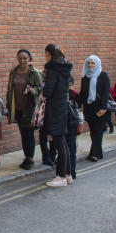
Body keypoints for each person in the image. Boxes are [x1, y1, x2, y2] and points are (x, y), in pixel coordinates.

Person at [43, 44, 73, 187]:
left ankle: (61, 176)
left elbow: (48, 91)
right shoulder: (64, 68)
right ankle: (67, 174)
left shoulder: (52, 70)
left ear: (48, 53)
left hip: (54, 108)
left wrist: (44, 85)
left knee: (59, 143)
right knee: (63, 142)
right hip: (62, 107)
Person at [7, 49, 43, 170]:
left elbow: (39, 89)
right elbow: (9, 90)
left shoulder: (34, 73)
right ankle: (26, 156)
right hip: (17, 108)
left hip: (29, 108)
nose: (22, 60)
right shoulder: (13, 72)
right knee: (23, 133)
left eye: (25, 58)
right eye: (20, 58)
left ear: (29, 59)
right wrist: (9, 105)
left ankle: (30, 159)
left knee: (29, 134)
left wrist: (31, 90)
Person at [79, 55, 110, 162]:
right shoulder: (85, 76)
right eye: (88, 63)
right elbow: (83, 93)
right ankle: (98, 152)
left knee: (98, 131)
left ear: (97, 64)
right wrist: (78, 105)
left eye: (92, 63)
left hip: (100, 108)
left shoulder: (103, 75)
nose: (90, 65)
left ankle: (94, 154)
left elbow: (106, 93)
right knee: (93, 131)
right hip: (89, 108)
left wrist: (103, 107)